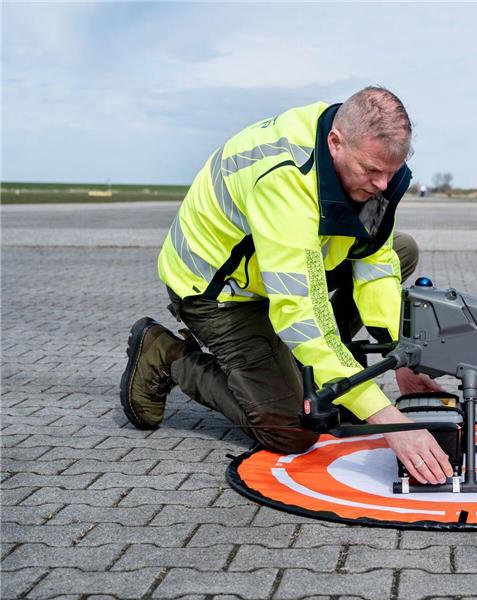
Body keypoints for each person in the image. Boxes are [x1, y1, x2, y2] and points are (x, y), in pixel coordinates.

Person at [120, 87, 453, 485]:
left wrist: (397, 357)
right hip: (221, 291)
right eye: (371, 171)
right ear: (336, 143)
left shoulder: (361, 166)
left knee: (400, 250)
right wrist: (387, 419)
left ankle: (314, 369)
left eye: (391, 172)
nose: (382, 185)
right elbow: (300, 313)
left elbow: (375, 263)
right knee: (293, 429)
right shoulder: (284, 179)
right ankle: (168, 354)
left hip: (279, 270)